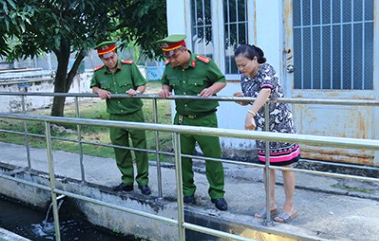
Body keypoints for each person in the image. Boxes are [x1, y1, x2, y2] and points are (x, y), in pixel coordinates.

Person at [158, 34, 228, 211]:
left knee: (212, 159)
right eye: (169, 57)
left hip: (205, 119)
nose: (172, 60)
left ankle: (217, 194)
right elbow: (166, 82)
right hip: (181, 120)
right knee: (182, 159)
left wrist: (211, 89)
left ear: (184, 49)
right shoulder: (170, 67)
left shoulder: (204, 64)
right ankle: (187, 192)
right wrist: (165, 90)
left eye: (175, 56)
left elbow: (221, 80)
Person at [233, 44, 300, 223]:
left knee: (286, 166)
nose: (241, 69)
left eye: (243, 65)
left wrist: (250, 114)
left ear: (255, 59)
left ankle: (289, 206)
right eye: (238, 66)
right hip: (262, 126)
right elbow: (253, 100)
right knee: (267, 166)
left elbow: (266, 91)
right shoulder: (244, 77)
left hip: (280, 125)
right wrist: (242, 100)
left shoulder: (267, 69)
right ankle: (270, 203)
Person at [90, 40, 151, 195]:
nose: (110, 61)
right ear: (101, 59)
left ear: (116, 53)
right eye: (106, 59)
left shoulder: (130, 67)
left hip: (134, 113)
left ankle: (143, 181)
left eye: (112, 57)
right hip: (115, 116)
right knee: (120, 149)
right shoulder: (98, 72)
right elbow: (94, 86)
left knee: (140, 148)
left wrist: (137, 91)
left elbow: (142, 85)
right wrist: (98, 91)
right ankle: (127, 181)